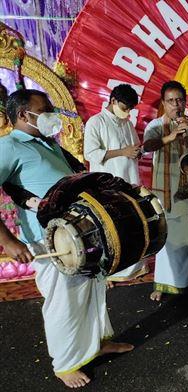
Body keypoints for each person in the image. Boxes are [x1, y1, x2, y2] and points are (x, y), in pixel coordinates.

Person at [0, 89, 133, 388]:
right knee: (63, 301)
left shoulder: (47, 143)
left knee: (91, 293)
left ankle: (95, 344)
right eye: (44, 109)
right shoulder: (8, 146)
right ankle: (64, 363)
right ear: (24, 115)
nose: (51, 114)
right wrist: (7, 241)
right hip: (51, 241)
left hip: (81, 234)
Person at [143, 81, 188, 301]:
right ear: (163, 103)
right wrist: (171, 136)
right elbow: (147, 146)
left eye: (179, 100)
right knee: (170, 238)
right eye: (170, 101)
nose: (176, 105)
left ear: (184, 101)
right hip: (168, 191)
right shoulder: (156, 125)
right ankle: (164, 283)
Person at [84, 84, 148, 283]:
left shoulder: (127, 123)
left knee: (131, 224)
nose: (127, 112)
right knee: (110, 227)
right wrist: (122, 152)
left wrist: (137, 151)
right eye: (125, 107)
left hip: (129, 181)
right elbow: (90, 153)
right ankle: (110, 271)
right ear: (112, 101)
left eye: (130, 109)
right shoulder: (96, 122)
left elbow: (135, 147)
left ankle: (134, 267)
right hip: (107, 185)